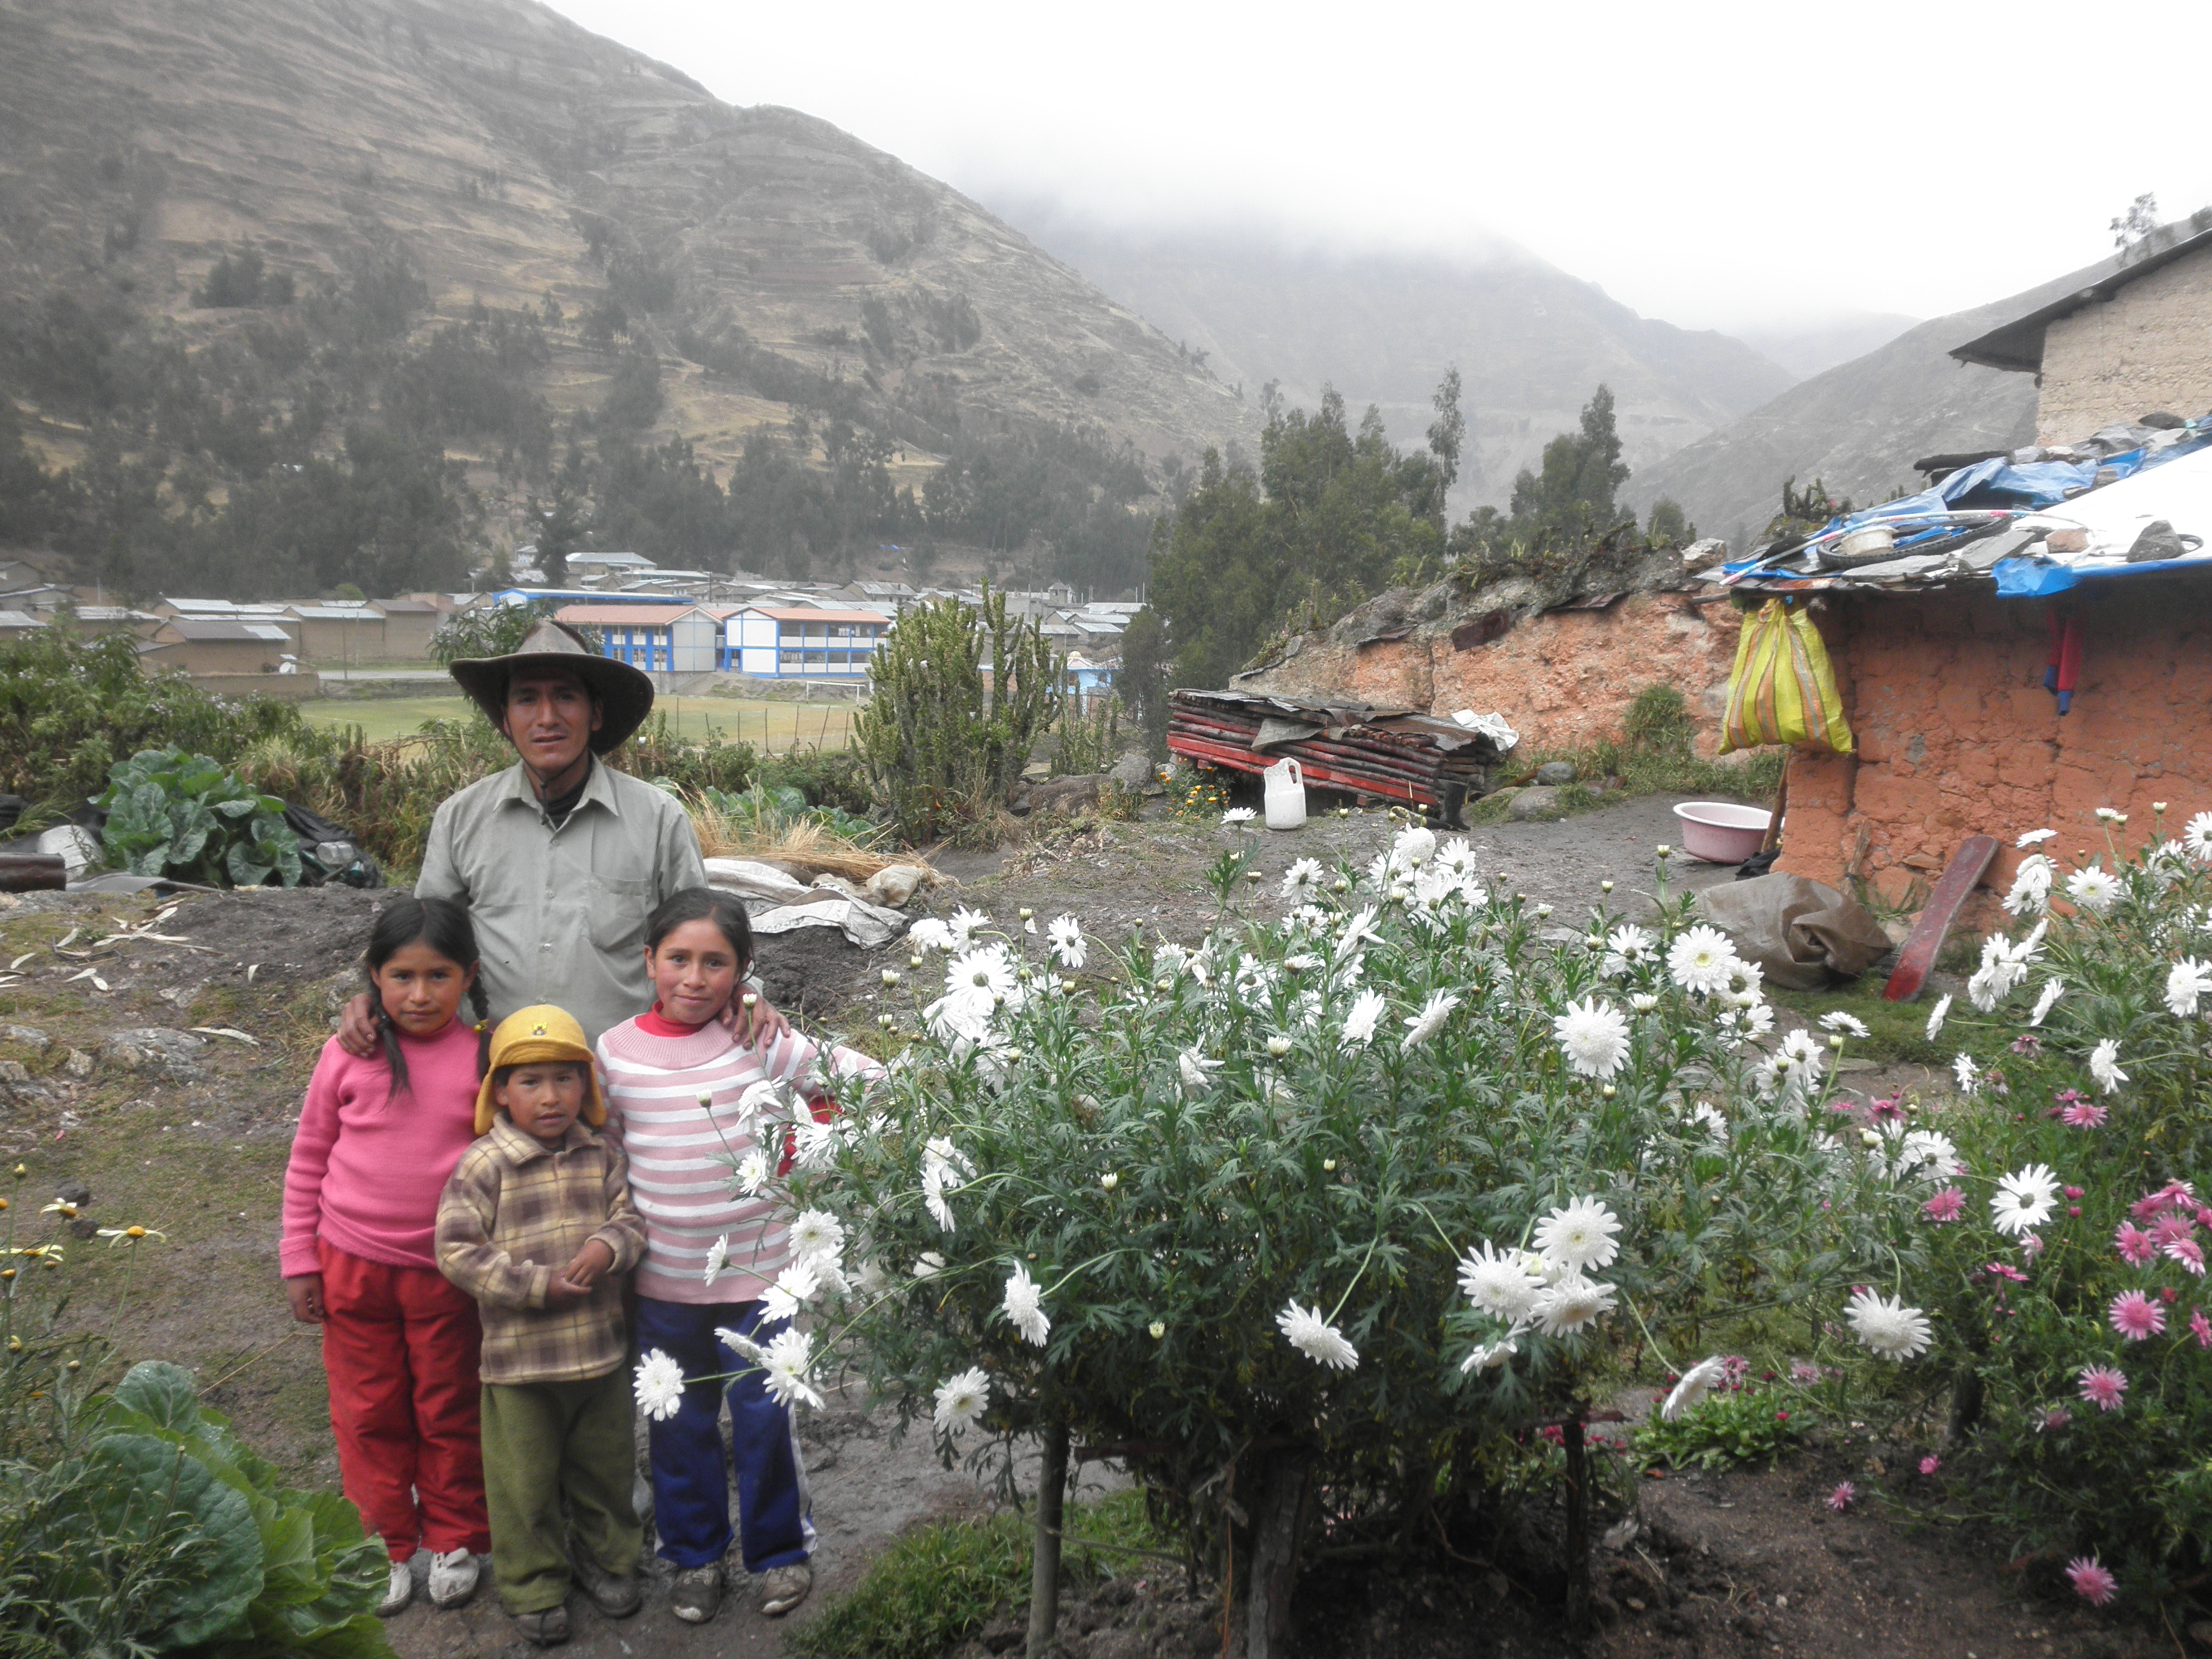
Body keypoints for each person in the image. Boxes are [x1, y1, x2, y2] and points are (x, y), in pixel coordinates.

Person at [595, 889, 880, 1624]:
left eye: (715, 963)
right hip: (663, 1284)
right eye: (678, 959)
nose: (694, 978)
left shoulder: (757, 1038)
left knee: (765, 1417)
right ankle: (693, 1558)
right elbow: (605, 1158)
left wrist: (832, 1138)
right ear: (648, 961)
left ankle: (780, 1552)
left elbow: (853, 1078)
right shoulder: (614, 1054)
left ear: (743, 970)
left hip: (762, 1279)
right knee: (677, 1424)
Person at [331, 617, 788, 1049]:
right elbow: (426, 942)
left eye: (566, 697)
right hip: (493, 1074)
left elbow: (700, 939)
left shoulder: (658, 819)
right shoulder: (460, 818)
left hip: (623, 1074)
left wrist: (745, 996)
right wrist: (372, 999)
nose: (547, 717)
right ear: (505, 722)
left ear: (595, 714)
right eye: (527, 699)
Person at [279, 896, 495, 1617]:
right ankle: (383, 1542)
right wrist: (298, 1261)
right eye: (402, 977)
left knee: (449, 1403)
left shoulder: (485, 1059)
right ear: (375, 978)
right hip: (350, 1266)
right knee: (367, 1409)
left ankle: (456, 1534)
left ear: (468, 976)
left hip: (449, 1273)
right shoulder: (348, 1053)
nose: (420, 994)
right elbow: (309, 1158)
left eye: (438, 976)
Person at [435, 1006, 649, 1647]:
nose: (550, 1097)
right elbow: (456, 1252)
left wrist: (608, 1247)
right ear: (499, 1091)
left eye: (564, 1079)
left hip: (599, 1358)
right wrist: (532, 1285)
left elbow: (632, 1220)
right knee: (521, 1483)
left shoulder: (601, 1155)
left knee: (605, 1472)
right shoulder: (483, 1166)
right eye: (530, 1082)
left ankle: (608, 1561)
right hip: (519, 1365)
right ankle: (533, 1587)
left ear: (586, 1085)